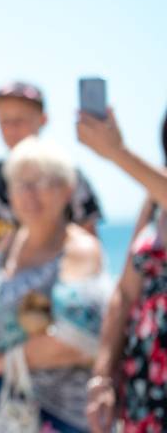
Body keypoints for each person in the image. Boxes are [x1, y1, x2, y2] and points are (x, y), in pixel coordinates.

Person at [0, 137, 107, 433]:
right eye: (21, 183)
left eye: (44, 183)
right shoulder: (8, 245)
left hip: (57, 412)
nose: (30, 194)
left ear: (67, 190)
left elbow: (78, 341)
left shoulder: (79, 250)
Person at [0, 82, 103, 326]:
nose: (11, 129)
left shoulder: (68, 176)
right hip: (0, 299)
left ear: (43, 120)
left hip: (51, 306)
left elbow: (89, 244)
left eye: (20, 120)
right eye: (4, 121)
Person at [79, 108, 167, 432]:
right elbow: (125, 293)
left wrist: (117, 152)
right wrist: (102, 374)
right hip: (143, 380)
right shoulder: (154, 199)